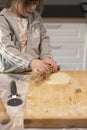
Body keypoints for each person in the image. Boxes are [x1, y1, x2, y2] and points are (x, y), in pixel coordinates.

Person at [0, 0, 58, 73]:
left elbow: (44, 38)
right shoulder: (3, 19)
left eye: (34, 3)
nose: (31, 7)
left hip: (33, 72)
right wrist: (30, 62)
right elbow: (6, 49)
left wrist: (46, 57)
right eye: (27, 3)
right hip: (10, 73)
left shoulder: (35, 16)